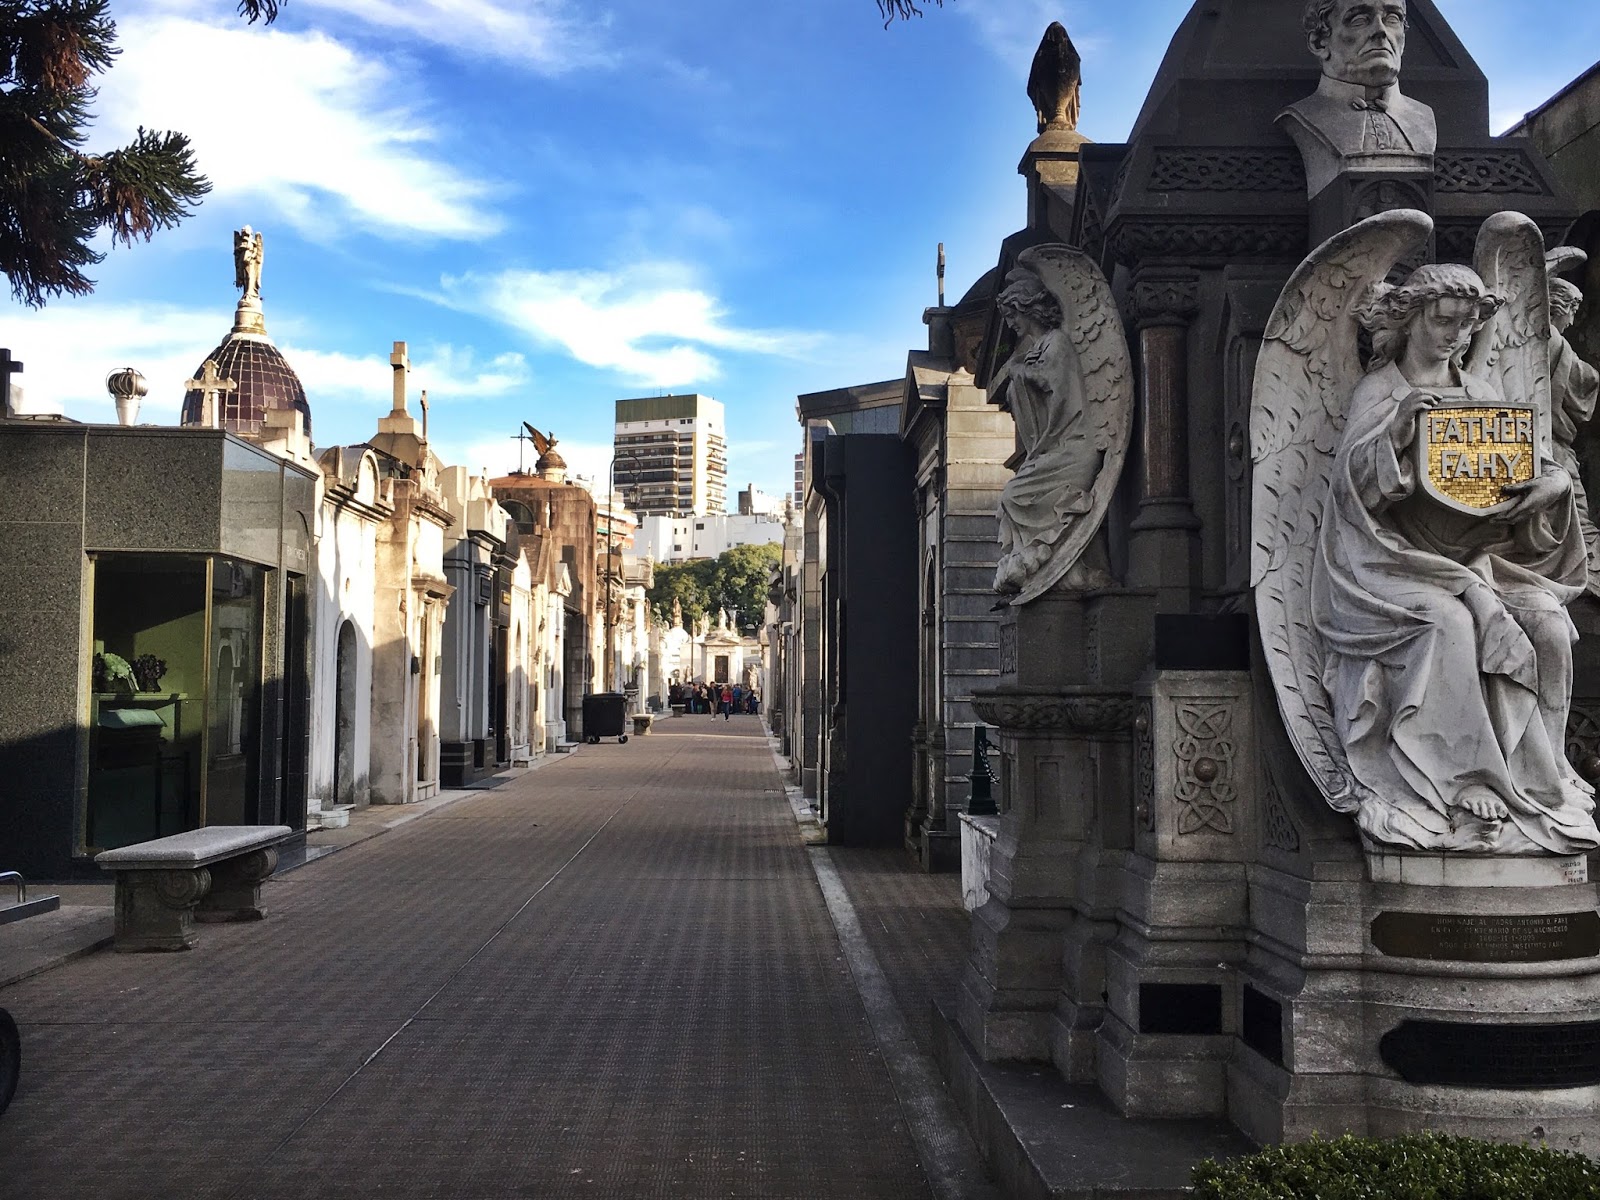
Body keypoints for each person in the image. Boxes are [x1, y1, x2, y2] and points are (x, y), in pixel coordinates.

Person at [1312, 262, 1597, 852]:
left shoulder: (1481, 394)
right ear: (1410, 318)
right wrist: (1396, 433)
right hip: (1388, 564)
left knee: (1547, 622)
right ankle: (1466, 778)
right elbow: (1350, 494)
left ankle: (1542, 776)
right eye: (1443, 321)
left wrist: (1551, 486)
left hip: (1477, 560)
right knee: (1450, 623)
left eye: (1467, 325)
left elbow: (1526, 464)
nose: (1455, 336)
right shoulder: (1381, 392)